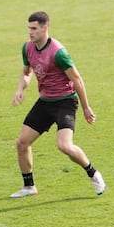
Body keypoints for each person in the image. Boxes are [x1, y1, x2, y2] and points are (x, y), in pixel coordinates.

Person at [10, 11, 106, 198]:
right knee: (22, 143)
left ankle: (93, 174)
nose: (30, 32)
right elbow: (27, 72)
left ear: (45, 28)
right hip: (45, 102)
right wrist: (20, 88)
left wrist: (86, 107)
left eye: (34, 29)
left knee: (64, 146)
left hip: (65, 102)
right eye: (28, 28)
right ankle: (29, 186)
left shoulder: (58, 52)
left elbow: (77, 79)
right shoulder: (28, 48)